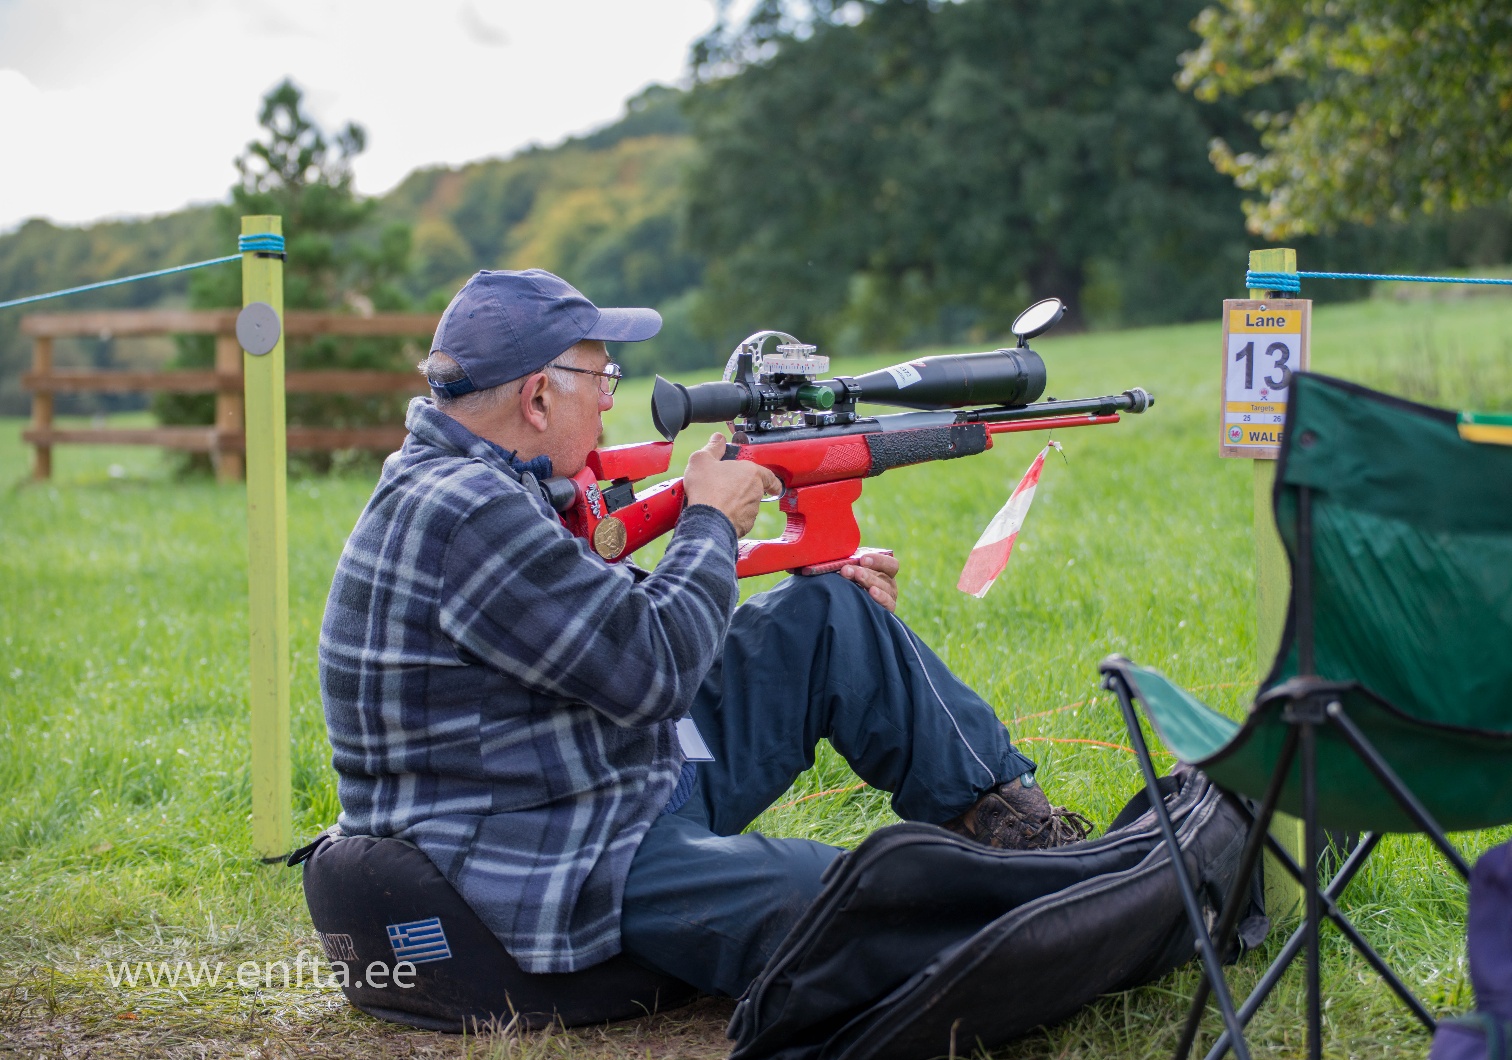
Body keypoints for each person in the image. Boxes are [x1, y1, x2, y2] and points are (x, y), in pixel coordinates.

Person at [319, 269, 1091, 999]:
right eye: (600, 381)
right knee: (836, 898)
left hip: (607, 776)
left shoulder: (475, 484)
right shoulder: (469, 510)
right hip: (553, 847)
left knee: (831, 614)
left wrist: (808, 562)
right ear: (537, 398)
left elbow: (600, 624)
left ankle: (1021, 836)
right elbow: (651, 668)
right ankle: (1036, 922)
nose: (610, 405)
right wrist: (710, 520)